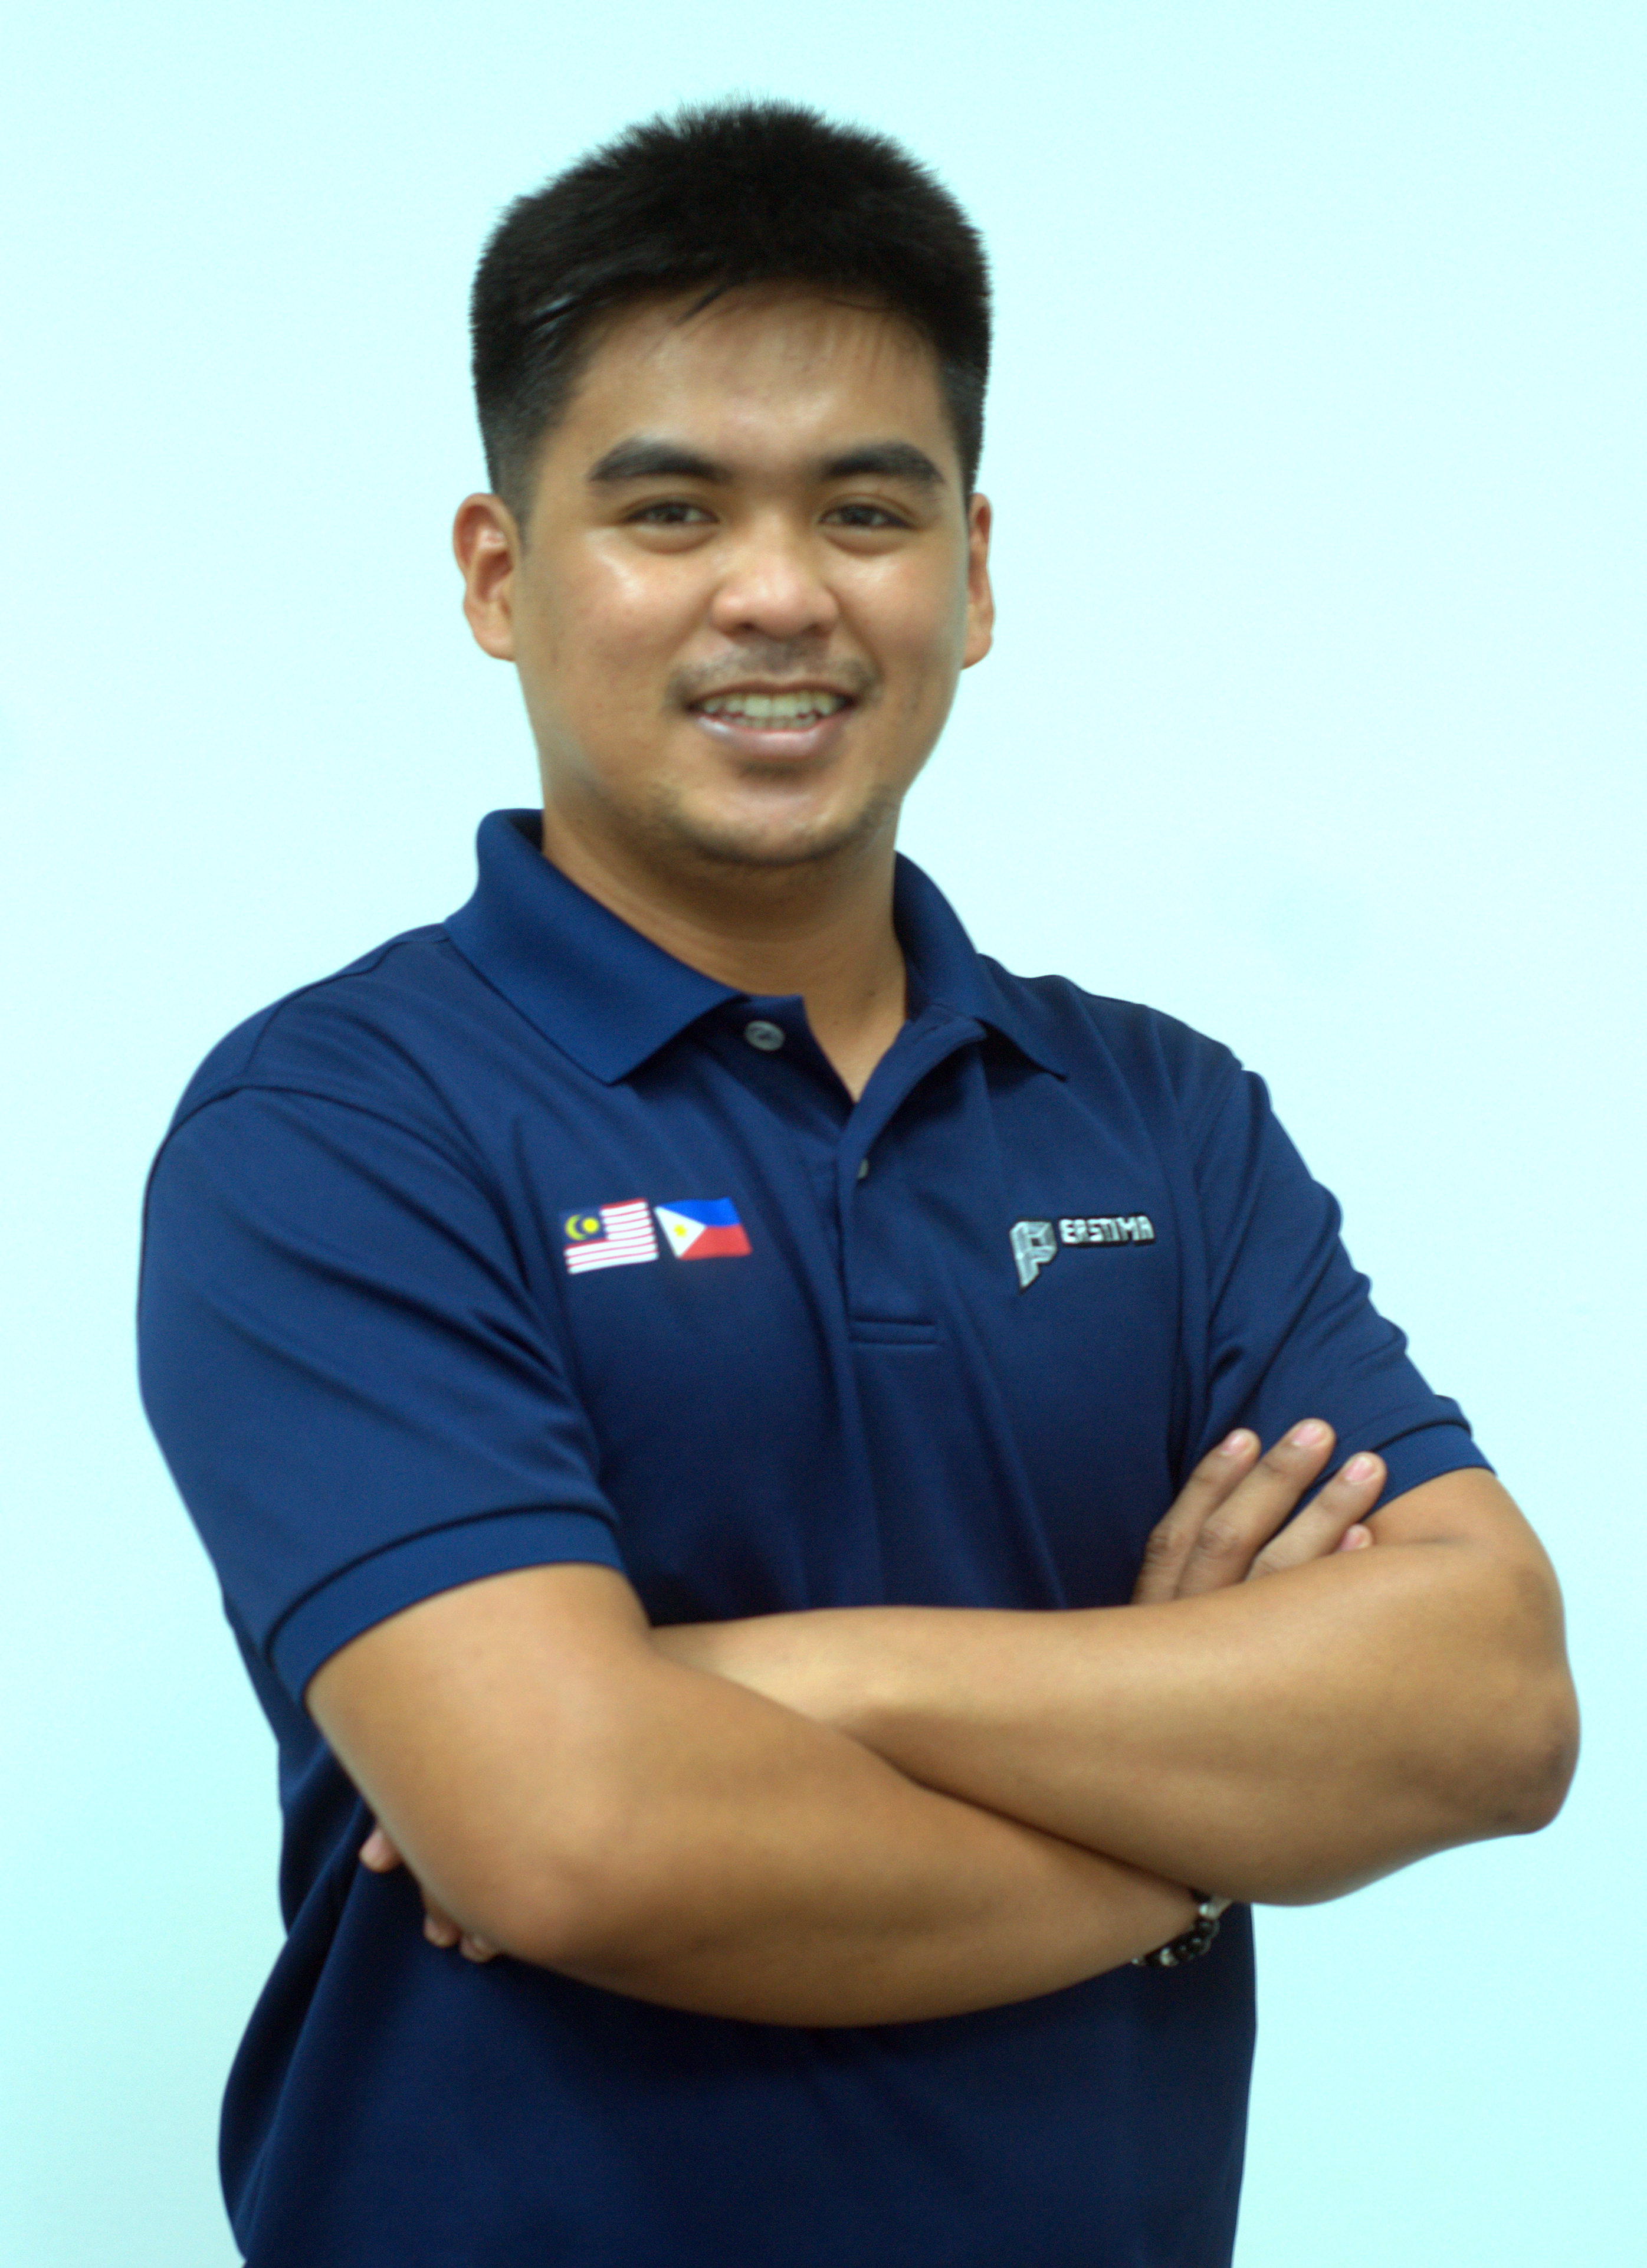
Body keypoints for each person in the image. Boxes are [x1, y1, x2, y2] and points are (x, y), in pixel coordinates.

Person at [138, 99, 1577, 2268]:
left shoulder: (1160, 1117)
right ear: (500, 575)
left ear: (972, 575)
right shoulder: (342, 1125)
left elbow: (1490, 1702)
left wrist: (783, 1677)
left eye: (867, 510)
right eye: (671, 509)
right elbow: (575, 1831)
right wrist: (1197, 1838)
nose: (781, 592)